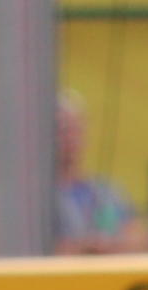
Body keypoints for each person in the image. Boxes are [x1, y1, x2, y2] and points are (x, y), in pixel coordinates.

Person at [55, 92, 139, 254]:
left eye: (77, 129)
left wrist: (109, 247)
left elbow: (141, 240)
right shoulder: (33, 200)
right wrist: (83, 248)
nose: (71, 138)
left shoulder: (106, 190)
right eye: (63, 129)